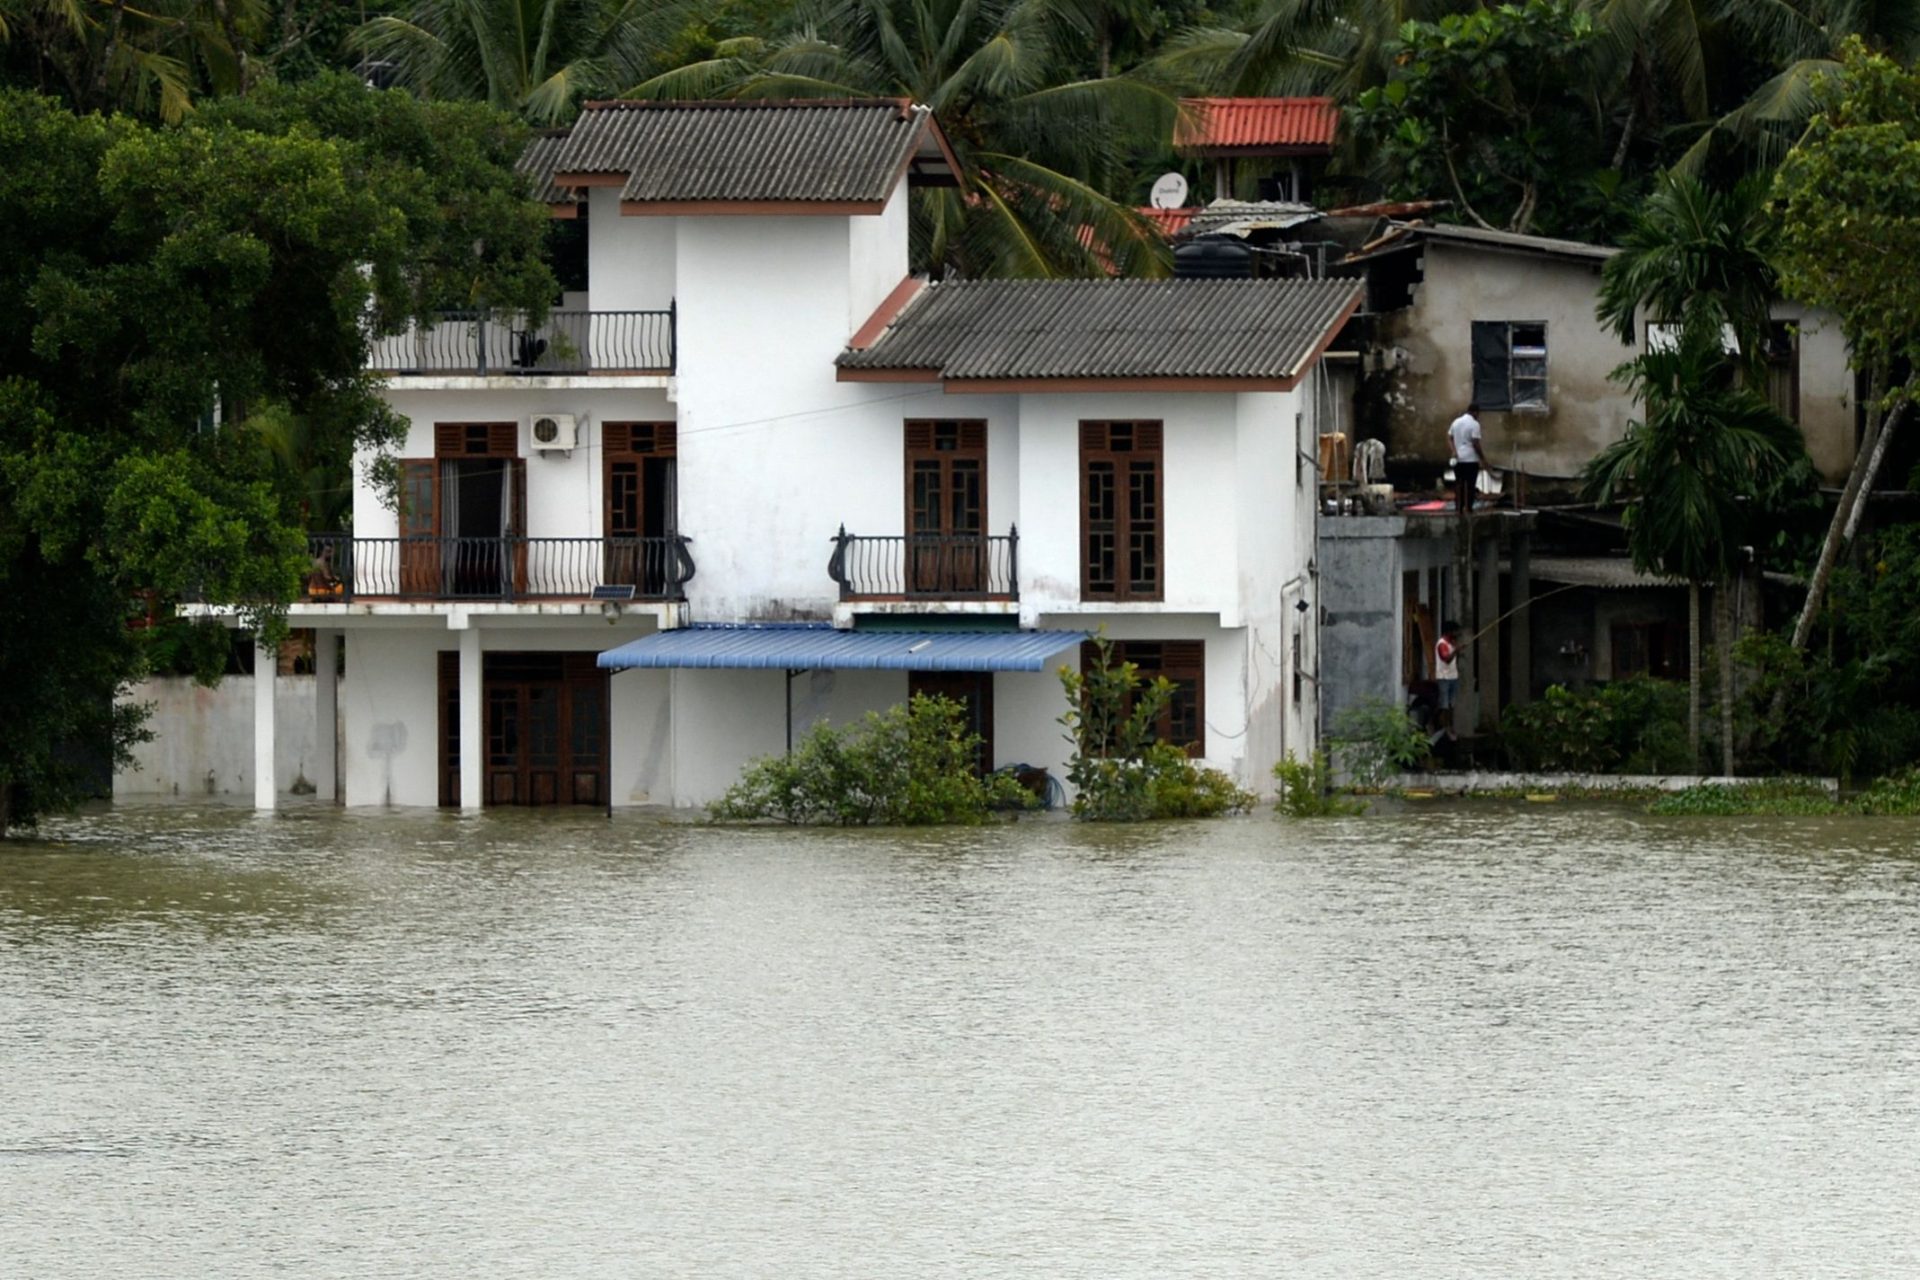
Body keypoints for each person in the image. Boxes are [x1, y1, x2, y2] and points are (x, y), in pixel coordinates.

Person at [1448, 403, 1484, 514]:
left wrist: (1453, 450)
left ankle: (1458, 507)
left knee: (1459, 483)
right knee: (1470, 484)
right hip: (1471, 459)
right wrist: (1482, 458)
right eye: (1478, 414)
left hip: (1458, 459)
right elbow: (1476, 443)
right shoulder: (1475, 424)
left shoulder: (1456, 422)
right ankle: (1468, 507)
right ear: (1475, 412)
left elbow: (1449, 436)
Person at [1434, 621, 1462, 735]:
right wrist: (1456, 651)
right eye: (1455, 631)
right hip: (1444, 677)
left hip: (1452, 677)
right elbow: (1446, 659)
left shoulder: (1451, 643)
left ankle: (1449, 727)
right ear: (1449, 632)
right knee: (1444, 705)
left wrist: (1456, 650)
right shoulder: (1442, 644)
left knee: (1451, 704)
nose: (1457, 633)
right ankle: (1443, 727)